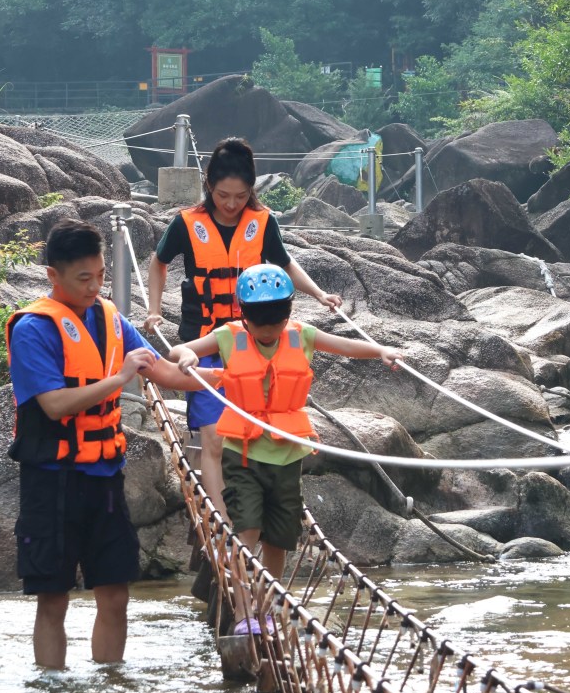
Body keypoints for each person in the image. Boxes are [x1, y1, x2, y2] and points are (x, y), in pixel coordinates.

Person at [6, 218, 216, 669]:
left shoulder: (110, 319)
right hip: (52, 480)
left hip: (103, 478)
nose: (95, 286)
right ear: (53, 276)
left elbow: (164, 370)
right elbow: (56, 405)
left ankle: (110, 691)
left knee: (116, 594)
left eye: (101, 275)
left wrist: (222, 377)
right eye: (84, 278)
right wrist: (119, 378)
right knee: (53, 599)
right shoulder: (33, 329)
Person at [168, 264, 401, 634]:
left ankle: (266, 606)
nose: (268, 333)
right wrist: (187, 356)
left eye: (275, 325)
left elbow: (346, 346)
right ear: (244, 315)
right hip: (243, 456)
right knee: (245, 532)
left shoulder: (301, 335)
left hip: (288, 458)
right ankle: (244, 615)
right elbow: (179, 349)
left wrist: (382, 351)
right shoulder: (228, 337)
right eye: (260, 326)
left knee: (278, 539)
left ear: (288, 314)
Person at [144, 137, 340, 521]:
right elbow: (157, 263)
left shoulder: (263, 222)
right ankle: (221, 522)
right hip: (205, 341)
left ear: (251, 190)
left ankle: (253, 506)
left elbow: (285, 264)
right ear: (208, 185)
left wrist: (319, 294)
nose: (231, 204)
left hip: (254, 342)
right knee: (215, 436)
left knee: (249, 433)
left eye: (239, 195)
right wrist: (153, 309)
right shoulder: (187, 223)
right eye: (222, 195)